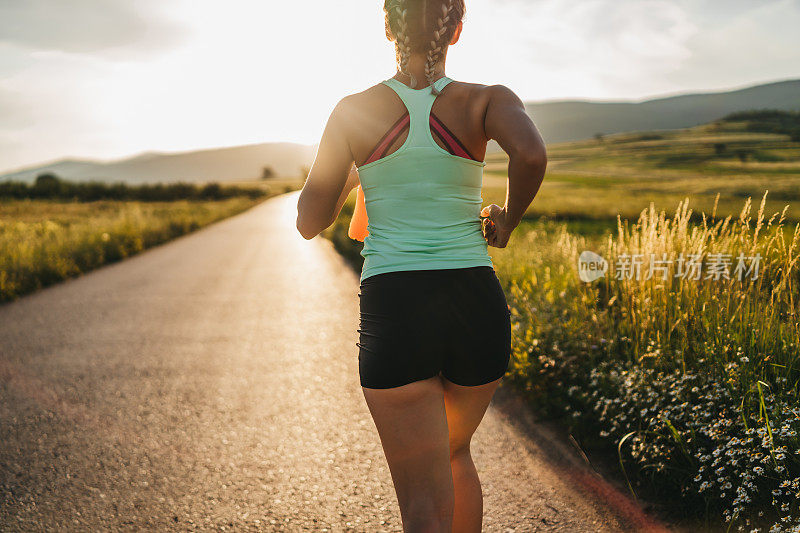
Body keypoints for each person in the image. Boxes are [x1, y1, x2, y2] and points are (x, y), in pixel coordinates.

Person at [295, 1, 546, 530]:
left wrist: (359, 174)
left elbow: (308, 221)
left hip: (398, 308)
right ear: (456, 30)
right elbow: (530, 155)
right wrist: (506, 220)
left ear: (388, 26)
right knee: (455, 457)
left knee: (422, 500)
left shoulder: (353, 110)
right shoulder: (487, 100)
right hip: (475, 304)